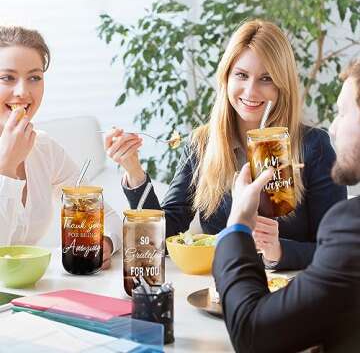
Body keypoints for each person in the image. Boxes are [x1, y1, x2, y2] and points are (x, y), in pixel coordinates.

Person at [105, 19, 346, 270]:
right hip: (221, 292)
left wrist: (278, 250)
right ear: (226, 78)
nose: (251, 91)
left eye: (266, 78)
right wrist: (133, 170)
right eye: (241, 75)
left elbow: (337, 250)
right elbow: (161, 239)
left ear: (282, 85)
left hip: (291, 295)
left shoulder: (313, 147)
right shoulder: (202, 144)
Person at [213, 59, 360, 352]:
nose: (332, 129)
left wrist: (239, 223)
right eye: (241, 75)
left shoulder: (351, 227)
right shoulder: (205, 143)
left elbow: (253, 333)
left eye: (342, 113)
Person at [0, 26, 121, 269]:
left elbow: (105, 217)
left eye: (34, 77)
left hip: (27, 296)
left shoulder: (44, 148)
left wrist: (103, 243)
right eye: (7, 78)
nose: (23, 92)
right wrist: (7, 167)